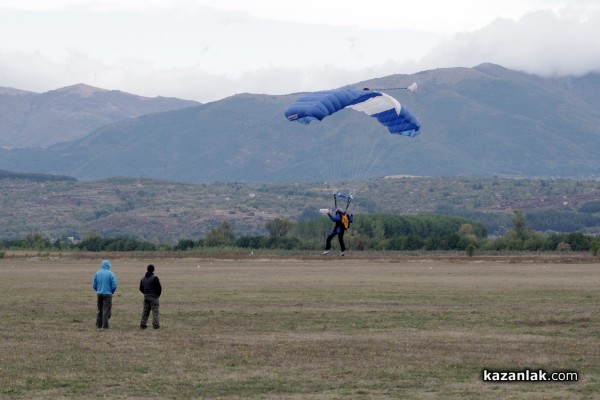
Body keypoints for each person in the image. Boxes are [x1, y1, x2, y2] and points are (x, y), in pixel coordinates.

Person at [92, 259, 118, 329]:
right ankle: (105, 326)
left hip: (99, 294)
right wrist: (111, 292)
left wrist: (98, 290)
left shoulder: (97, 273)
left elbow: (94, 285)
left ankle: (98, 325)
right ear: (109, 265)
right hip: (108, 294)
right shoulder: (111, 274)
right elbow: (114, 285)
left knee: (100, 309)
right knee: (106, 310)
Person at [139, 264, 162, 329]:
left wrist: (145, 293)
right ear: (153, 270)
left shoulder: (142, 279)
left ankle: (143, 324)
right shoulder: (155, 278)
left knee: (145, 311)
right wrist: (157, 295)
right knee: (155, 311)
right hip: (154, 297)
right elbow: (159, 288)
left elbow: (141, 288)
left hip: (146, 297)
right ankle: (156, 325)